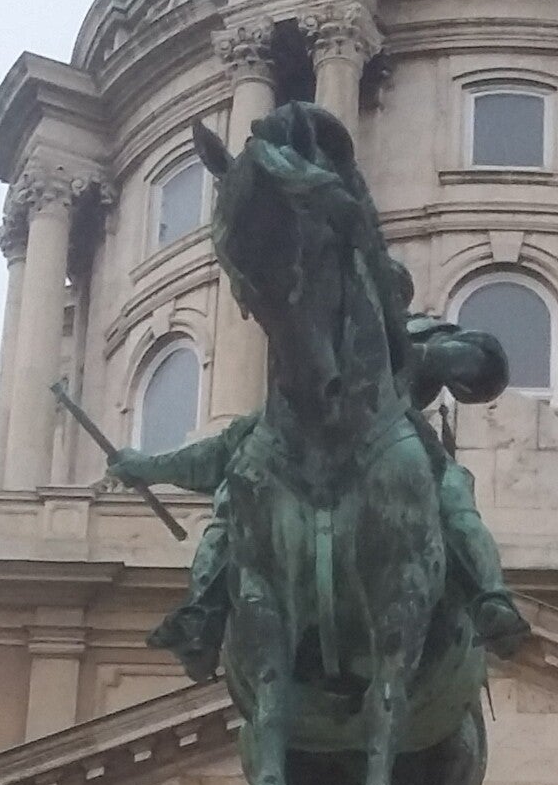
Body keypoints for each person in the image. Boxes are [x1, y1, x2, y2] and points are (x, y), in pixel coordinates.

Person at [111, 265, 528, 682]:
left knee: (453, 492)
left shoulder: (418, 333)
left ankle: (490, 598)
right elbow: (225, 447)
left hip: (397, 450)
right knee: (236, 492)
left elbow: (487, 365)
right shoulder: (313, 355)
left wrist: (420, 356)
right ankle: (203, 612)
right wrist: (148, 467)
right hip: (309, 462)